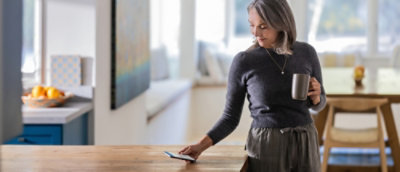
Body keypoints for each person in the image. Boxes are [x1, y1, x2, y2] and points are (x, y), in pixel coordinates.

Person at [179, 0, 326, 171]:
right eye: (252, 25)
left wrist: (316, 98)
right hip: (267, 145)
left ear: (281, 22)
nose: (256, 32)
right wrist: (200, 146)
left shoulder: (306, 52)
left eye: (263, 26)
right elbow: (230, 118)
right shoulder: (244, 61)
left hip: (305, 141)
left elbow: (320, 104)